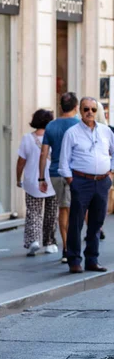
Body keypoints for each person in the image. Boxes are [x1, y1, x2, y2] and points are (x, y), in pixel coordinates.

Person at [58, 96, 114, 274]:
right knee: (76, 223)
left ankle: (92, 259)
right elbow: (64, 161)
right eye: (86, 109)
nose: (90, 112)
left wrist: (111, 173)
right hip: (81, 182)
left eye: (93, 109)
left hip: (102, 182)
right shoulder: (72, 132)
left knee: (97, 223)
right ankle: (74, 260)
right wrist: (70, 180)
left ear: (97, 111)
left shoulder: (106, 131)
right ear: (80, 111)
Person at [39, 92, 79, 263]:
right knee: (72, 210)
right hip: (75, 174)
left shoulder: (51, 126)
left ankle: (66, 246)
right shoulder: (79, 125)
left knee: (63, 209)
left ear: (60, 107)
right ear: (77, 107)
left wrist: (41, 177)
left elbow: (44, 153)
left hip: (55, 172)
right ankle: (70, 248)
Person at [17, 109, 58, 257]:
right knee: (51, 214)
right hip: (52, 181)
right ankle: (50, 243)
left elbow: (21, 162)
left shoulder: (27, 138)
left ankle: (34, 240)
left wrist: (18, 178)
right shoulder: (54, 137)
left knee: (33, 213)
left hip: (32, 182)